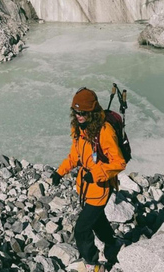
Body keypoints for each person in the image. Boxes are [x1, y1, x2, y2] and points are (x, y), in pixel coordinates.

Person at [51, 87, 126, 272]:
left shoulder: (105, 132)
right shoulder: (79, 128)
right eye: (76, 112)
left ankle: (93, 265)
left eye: (83, 112)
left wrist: (97, 173)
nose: (78, 115)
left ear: (91, 111)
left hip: (101, 187)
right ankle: (112, 243)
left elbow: (119, 162)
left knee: (81, 230)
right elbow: (75, 156)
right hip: (85, 186)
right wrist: (60, 172)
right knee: (97, 219)